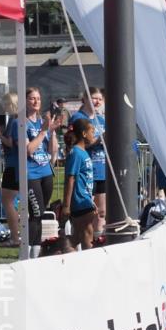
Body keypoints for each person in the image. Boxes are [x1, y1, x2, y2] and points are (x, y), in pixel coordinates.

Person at [13, 87, 60, 258]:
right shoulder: (21, 122)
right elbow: (28, 150)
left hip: (45, 172)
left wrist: (52, 130)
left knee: (40, 214)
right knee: (35, 213)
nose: (36, 101)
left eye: (38, 98)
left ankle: (37, 250)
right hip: (30, 173)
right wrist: (43, 132)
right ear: (25, 101)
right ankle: (28, 252)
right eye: (32, 98)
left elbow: (52, 150)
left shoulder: (42, 122)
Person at [69, 87, 107, 237]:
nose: (97, 101)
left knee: (101, 211)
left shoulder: (102, 120)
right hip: (86, 170)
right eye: (93, 98)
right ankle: (82, 239)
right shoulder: (78, 118)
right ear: (84, 99)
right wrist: (98, 140)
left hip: (102, 169)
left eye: (99, 98)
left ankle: (98, 239)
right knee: (87, 211)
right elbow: (77, 144)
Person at [62, 118, 98, 250]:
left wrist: (91, 200)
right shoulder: (76, 153)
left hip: (85, 199)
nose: (93, 135)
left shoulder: (83, 152)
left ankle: (58, 252)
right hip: (79, 200)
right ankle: (89, 265)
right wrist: (66, 205)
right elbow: (70, 179)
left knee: (78, 236)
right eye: (92, 131)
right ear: (84, 134)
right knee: (87, 234)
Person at [0, 91, 21, 246]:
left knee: (7, 200)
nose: (4, 107)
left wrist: (0, 136)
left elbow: (11, 143)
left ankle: (15, 236)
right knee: (10, 200)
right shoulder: (17, 119)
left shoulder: (14, 120)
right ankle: (18, 234)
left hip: (13, 166)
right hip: (16, 165)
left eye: (6, 104)